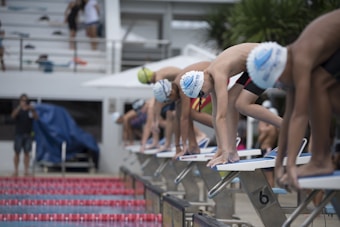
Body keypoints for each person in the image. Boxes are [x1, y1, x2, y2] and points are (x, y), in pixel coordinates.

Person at [246, 9, 340, 191]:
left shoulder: (301, 59)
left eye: (278, 81)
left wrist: (291, 167)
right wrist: (279, 162)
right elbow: (289, 117)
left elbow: (300, 115)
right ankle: (322, 158)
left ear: (280, 70)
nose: (281, 85)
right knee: (329, 96)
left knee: (318, 84)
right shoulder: (288, 60)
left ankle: (321, 159)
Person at [179, 43, 282, 167]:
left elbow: (221, 117)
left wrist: (225, 152)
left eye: (201, 93)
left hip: (268, 59)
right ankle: (232, 151)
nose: (204, 97)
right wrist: (221, 149)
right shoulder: (209, 76)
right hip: (255, 63)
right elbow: (215, 115)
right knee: (232, 101)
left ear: (201, 83)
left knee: (242, 105)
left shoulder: (218, 74)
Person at [152, 61, 212, 157]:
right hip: (202, 82)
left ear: (171, 93)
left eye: (168, 101)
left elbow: (184, 118)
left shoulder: (182, 87)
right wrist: (177, 147)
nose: (169, 103)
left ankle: (226, 132)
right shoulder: (176, 89)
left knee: (189, 113)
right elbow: (177, 120)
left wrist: (184, 146)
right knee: (178, 114)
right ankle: (193, 145)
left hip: (215, 78)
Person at [137, 66, 182, 151]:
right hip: (178, 85)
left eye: (148, 83)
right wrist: (155, 120)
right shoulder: (159, 75)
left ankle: (198, 135)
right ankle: (166, 144)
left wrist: (155, 121)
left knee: (181, 115)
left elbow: (158, 101)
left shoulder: (158, 78)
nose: (151, 84)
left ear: (149, 78)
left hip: (183, 85)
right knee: (169, 114)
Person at [11, 94, 38, 177]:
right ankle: (16, 170)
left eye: (25, 101)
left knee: (27, 153)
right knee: (17, 152)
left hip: (28, 134)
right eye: (23, 100)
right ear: (20, 101)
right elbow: (12, 116)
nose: (24, 102)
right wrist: (20, 107)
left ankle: (26, 170)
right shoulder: (18, 110)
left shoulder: (30, 111)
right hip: (19, 134)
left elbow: (36, 118)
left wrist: (32, 110)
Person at [257, 106, 280, 187]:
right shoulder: (276, 128)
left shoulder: (267, 129)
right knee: (270, 175)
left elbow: (260, 140)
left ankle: (271, 193)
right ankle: (271, 192)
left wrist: (262, 130)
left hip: (266, 150)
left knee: (268, 175)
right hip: (271, 149)